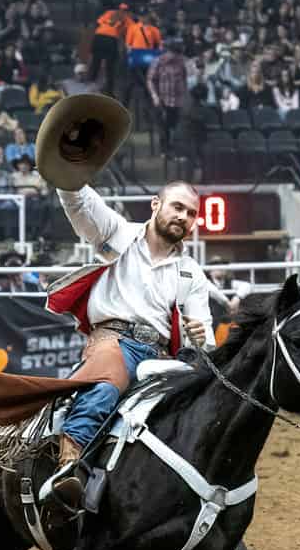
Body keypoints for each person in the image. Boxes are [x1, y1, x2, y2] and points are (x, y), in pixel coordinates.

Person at [47, 180, 213, 510]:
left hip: (163, 358)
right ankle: (69, 466)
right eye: (176, 207)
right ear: (156, 204)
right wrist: (66, 171)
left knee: (200, 417)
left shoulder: (191, 273)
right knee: (106, 389)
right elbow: (79, 202)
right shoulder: (118, 234)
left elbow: (206, 340)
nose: (183, 217)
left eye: (191, 213)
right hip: (113, 342)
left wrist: (200, 339)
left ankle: (205, 497)